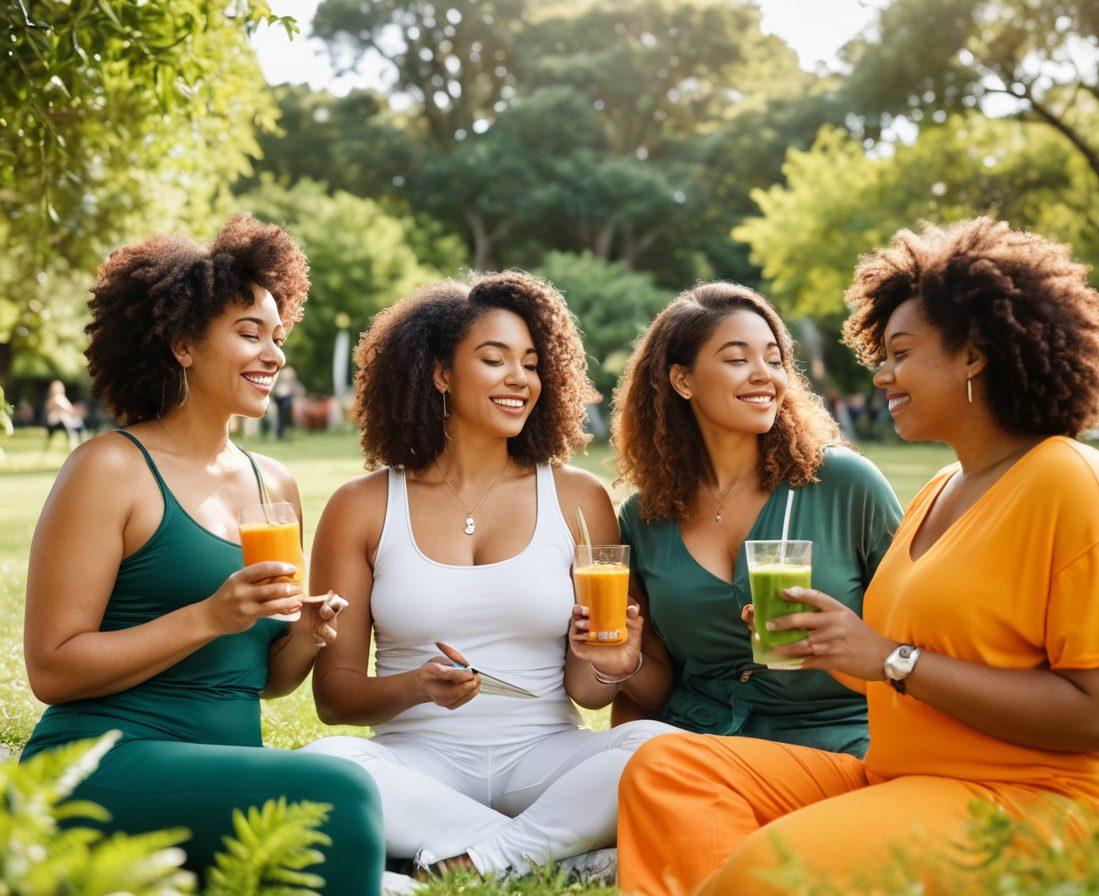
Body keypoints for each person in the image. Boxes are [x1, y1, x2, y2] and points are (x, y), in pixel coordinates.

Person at [617, 219, 1099, 895]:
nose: (882, 372)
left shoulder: (1073, 482)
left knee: (772, 866)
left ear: (973, 356)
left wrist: (893, 660)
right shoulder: (940, 490)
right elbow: (898, 663)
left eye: (901, 352)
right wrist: (838, 650)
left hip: (1040, 802)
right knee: (667, 771)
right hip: (904, 776)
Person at [20, 214, 386, 895]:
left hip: (219, 766)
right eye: (249, 333)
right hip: (103, 760)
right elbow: (51, 668)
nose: (274, 355)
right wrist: (209, 616)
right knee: (340, 792)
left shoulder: (271, 482)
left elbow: (265, 680)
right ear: (183, 344)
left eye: (278, 336)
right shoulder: (110, 468)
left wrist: (304, 635)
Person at [301, 271, 675, 883]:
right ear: (441, 373)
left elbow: (589, 693)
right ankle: (555, 861)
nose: (518, 379)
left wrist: (612, 659)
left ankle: (475, 864)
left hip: (547, 757)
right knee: (325, 768)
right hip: (417, 763)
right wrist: (417, 686)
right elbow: (334, 697)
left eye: (531, 363)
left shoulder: (579, 499)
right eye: (494, 359)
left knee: (662, 749)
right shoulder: (363, 505)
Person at [608, 282, 901, 758]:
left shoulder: (844, 483)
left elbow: (921, 639)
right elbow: (651, 686)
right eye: (738, 359)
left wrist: (847, 644)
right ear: (683, 381)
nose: (765, 375)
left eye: (775, 359)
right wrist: (623, 666)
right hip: (703, 744)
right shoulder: (645, 518)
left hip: (840, 739)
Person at [43, 379, 85, 450]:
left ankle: (80, 443)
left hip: (64, 421)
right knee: (69, 422)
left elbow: (69, 410)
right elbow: (68, 410)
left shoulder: (61, 399)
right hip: (57, 422)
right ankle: (76, 443)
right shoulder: (56, 399)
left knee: (78, 422)